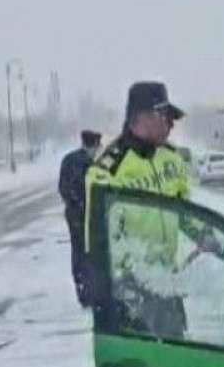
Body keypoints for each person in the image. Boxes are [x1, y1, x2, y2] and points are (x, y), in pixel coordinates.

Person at [85, 81, 205, 337]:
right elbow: (101, 245)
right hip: (131, 297)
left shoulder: (171, 160)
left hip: (168, 288)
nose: (171, 124)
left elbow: (187, 215)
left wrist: (211, 239)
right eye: (165, 116)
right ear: (141, 117)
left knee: (178, 362)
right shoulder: (108, 170)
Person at [58, 129, 102, 306]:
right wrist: (85, 207)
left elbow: (62, 188)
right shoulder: (90, 165)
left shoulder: (68, 159)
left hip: (73, 215)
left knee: (77, 253)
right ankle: (91, 292)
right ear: (94, 145)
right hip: (88, 215)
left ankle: (82, 291)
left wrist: (73, 205)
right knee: (90, 254)